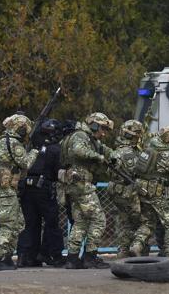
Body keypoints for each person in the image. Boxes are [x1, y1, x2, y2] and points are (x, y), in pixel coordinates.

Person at [129, 125, 169, 259]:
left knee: (147, 223)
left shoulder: (148, 150)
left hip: (143, 191)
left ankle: (136, 246)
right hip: (160, 193)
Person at [59, 112, 114, 269]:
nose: (103, 133)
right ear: (94, 125)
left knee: (80, 222)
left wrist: (111, 155)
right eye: (102, 128)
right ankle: (90, 257)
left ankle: (72, 258)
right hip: (81, 184)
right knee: (99, 219)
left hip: (75, 185)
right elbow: (78, 150)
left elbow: (105, 150)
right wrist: (98, 157)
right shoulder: (81, 136)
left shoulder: (88, 138)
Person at [0, 113, 38, 271]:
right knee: (8, 225)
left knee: (18, 223)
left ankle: (7, 256)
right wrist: (35, 151)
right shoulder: (14, 143)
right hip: (6, 189)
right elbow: (26, 163)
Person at [16, 118, 65, 268]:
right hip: (43, 187)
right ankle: (52, 255)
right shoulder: (55, 149)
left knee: (30, 224)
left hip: (26, 187)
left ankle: (25, 256)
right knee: (51, 223)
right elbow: (58, 172)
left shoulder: (31, 146)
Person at [106, 120, 143, 259]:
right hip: (128, 191)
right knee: (140, 222)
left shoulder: (116, 151)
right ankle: (137, 249)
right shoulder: (129, 153)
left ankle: (123, 251)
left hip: (115, 189)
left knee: (124, 222)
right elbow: (137, 171)